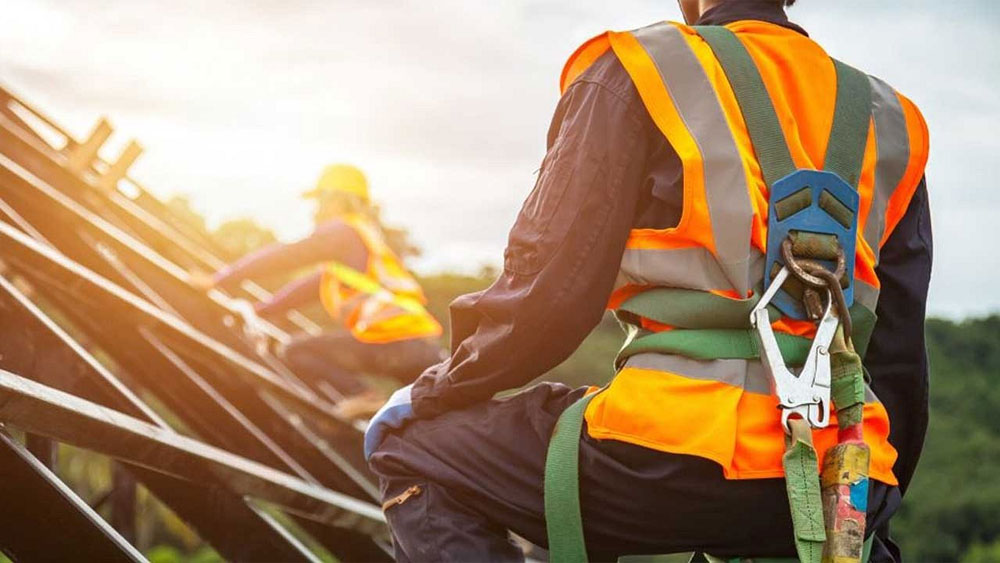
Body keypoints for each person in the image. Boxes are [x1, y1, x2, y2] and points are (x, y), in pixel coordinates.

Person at [364, 1, 931, 561]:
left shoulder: (639, 68)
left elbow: (546, 299)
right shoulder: (894, 121)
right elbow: (900, 357)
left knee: (410, 450)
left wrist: (436, 390)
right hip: (846, 477)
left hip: (670, 457)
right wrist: (873, 501)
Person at [195, 164, 444, 403]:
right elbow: (300, 292)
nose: (315, 209)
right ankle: (358, 404)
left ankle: (361, 395)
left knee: (297, 351)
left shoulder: (343, 231)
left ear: (335, 198)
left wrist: (218, 280)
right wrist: (258, 311)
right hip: (420, 349)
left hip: (393, 343)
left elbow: (285, 256)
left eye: (319, 200)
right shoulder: (362, 245)